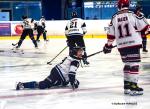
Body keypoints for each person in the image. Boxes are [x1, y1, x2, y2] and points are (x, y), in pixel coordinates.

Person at [103, 0, 149, 96]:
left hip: (121, 46)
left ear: (119, 6)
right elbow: (145, 28)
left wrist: (108, 46)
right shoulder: (132, 14)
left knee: (127, 64)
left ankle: (127, 86)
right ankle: (133, 87)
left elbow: (111, 35)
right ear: (127, 5)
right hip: (133, 44)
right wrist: (144, 32)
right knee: (134, 64)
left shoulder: (114, 17)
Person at [16, 46, 83, 90]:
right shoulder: (75, 61)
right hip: (57, 74)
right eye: (79, 52)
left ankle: (61, 82)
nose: (81, 53)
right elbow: (71, 74)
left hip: (59, 73)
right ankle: (22, 85)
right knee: (43, 85)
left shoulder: (71, 57)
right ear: (75, 53)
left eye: (81, 52)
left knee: (65, 82)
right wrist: (73, 83)